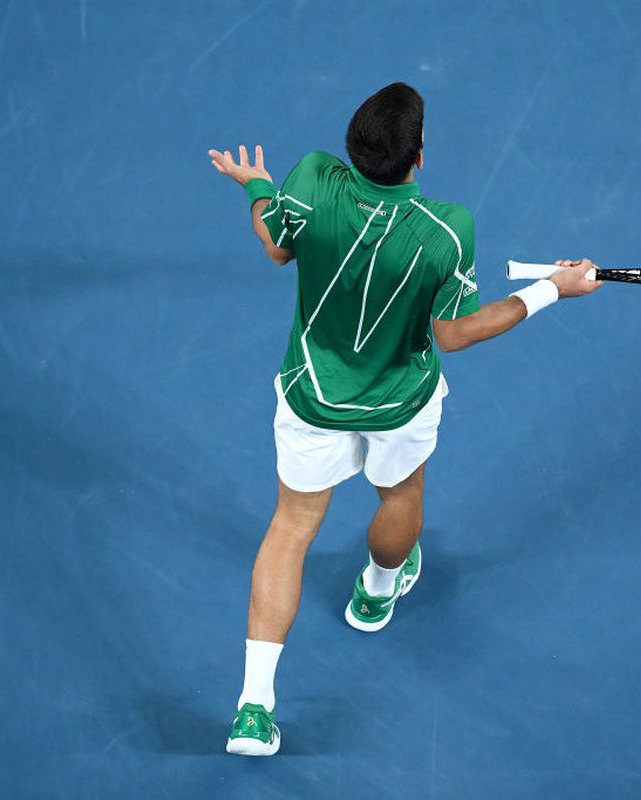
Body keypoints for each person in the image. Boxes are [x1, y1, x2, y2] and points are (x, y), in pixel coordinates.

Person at [207, 82, 601, 756]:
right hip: (399, 403)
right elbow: (453, 335)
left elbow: (275, 243)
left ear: (351, 146)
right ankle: (377, 593)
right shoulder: (446, 229)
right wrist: (550, 291)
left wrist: (255, 186)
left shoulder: (310, 176)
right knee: (401, 495)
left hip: (313, 396)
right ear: (419, 157)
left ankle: (252, 708)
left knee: (290, 528)